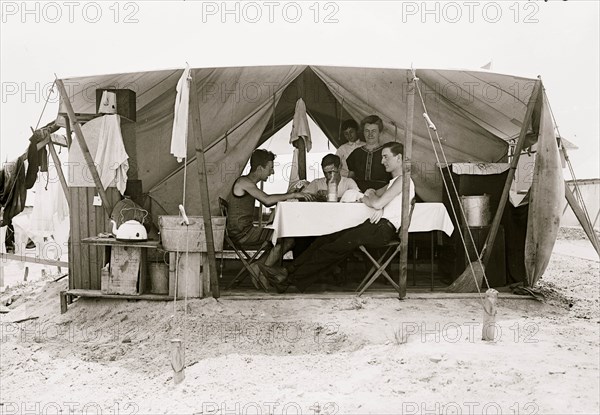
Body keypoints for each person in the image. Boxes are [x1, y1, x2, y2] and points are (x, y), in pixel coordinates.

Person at [262, 142, 415, 292]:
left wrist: (370, 201)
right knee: (326, 238)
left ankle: (288, 280)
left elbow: (375, 201)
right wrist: (373, 199)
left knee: (333, 247)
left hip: (382, 230)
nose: (382, 161)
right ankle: (288, 271)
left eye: (386, 157)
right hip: (375, 226)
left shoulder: (404, 180)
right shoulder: (394, 182)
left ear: (399, 158)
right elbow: (370, 191)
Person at [227, 149, 313, 287]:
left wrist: (287, 194)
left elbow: (268, 197)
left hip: (244, 230)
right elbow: (267, 200)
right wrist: (292, 196)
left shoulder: (247, 183)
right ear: (260, 168)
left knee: (281, 237)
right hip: (242, 233)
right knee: (287, 239)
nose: (272, 172)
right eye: (270, 168)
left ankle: (257, 267)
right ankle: (262, 271)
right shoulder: (243, 182)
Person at [346, 115, 391, 192]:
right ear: (363, 132)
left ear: (380, 133)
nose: (370, 134)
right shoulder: (356, 153)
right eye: (367, 131)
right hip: (359, 195)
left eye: (373, 131)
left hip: (382, 195)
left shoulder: (387, 152)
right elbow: (350, 179)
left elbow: (394, 180)